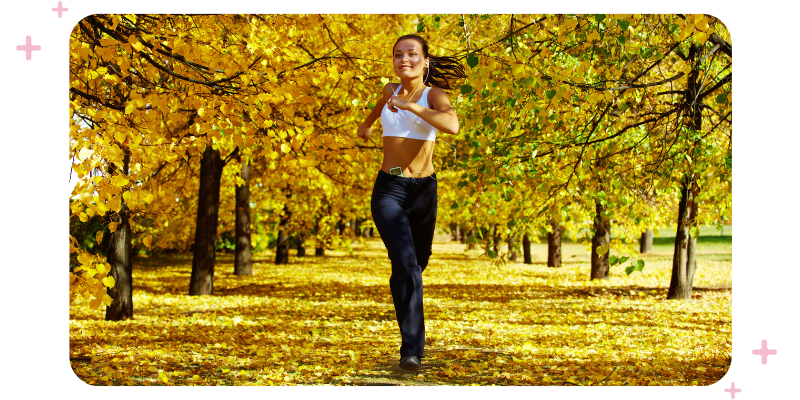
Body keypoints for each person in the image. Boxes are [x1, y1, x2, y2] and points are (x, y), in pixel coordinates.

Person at [357, 34, 466, 370]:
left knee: (415, 263)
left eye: (412, 54)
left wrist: (412, 106)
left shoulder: (433, 95)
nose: (404, 59)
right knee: (405, 263)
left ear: (426, 61)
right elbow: (378, 109)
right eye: (398, 54)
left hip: (423, 190)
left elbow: (452, 125)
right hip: (389, 188)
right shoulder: (389, 91)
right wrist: (366, 125)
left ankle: (403, 281)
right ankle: (411, 349)